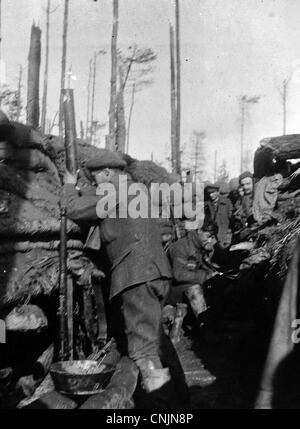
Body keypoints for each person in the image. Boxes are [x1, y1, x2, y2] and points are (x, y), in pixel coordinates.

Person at [61, 149, 188, 407]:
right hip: (154, 273)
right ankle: (182, 399)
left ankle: (162, 407)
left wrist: (68, 186)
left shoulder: (115, 192)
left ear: (108, 172)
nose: (95, 184)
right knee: (156, 340)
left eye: (96, 178)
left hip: (137, 277)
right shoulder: (134, 189)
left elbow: (72, 208)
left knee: (143, 352)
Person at [168, 220, 222, 343]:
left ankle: (214, 322)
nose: (210, 240)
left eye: (212, 237)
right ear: (199, 231)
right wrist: (205, 275)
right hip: (172, 290)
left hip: (186, 286)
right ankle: (207, 329)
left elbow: (203, 265)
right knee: (195, 289)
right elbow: (178, 274)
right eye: (208, 236)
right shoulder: (181, 247)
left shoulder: (199, 245)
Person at [204, 182, 234, 248]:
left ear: (218, 192)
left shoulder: (227, 202)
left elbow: (232, 218)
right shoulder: (206, 205)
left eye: (213, 192)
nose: (211, 195)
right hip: (213, 235)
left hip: (225, 234)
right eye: (209, 193)